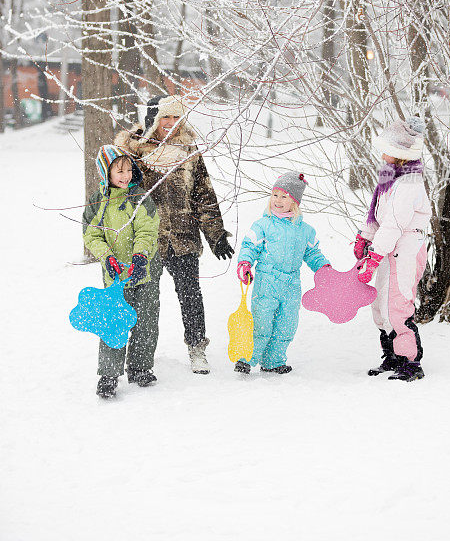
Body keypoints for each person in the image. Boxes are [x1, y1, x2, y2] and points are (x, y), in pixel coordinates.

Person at [115, 95, 233, 374]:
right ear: (153, 119)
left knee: (190, 295)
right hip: (146, 242)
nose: (170, 123)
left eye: (175, 117)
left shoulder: (189, 152)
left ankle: (196, 348)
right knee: (142, 301)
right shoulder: (135, 153)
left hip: (183, 238)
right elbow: (119, 194)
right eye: (165, 117)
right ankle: (139, 359)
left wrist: (215, 234)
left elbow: (203, 195)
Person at [354, 116, 431, 382]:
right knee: (380, 304)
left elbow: (396, 224)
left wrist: (374, 256)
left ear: (399, 154)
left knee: (398, 303)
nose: (382, 152)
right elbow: (379, 217)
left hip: (406, 248)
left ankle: (410, 361)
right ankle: (392, 355)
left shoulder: (409, 183)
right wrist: (365, 238)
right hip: (389, 246)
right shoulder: (389, 177)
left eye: (387, 147)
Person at [83, 145, 161, 399]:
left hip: (143, 270)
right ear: (106, 172)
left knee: (145, 320)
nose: (126, 175)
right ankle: (108, 374)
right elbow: (91, 235)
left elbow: (147, 231)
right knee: (113, 322)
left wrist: (140, 256)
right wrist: (107, 258)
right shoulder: (97, 202)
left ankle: (140, 368)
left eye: (129, 169)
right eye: (119, 170)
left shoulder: (140, 198)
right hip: (115, 274)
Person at [235, 172, 330, 374]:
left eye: (284, 196)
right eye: (275, 195)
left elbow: (312, 253)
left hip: (291, 285)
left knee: (286, 325)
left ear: (294, 201)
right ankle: (246, 359)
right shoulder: (263, 225)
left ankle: (273, 361)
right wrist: (245, 262)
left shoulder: (305, 230)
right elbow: (249, 246)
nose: (277, 201)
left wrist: (323, 269)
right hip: (267, 282)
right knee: (261, 324)